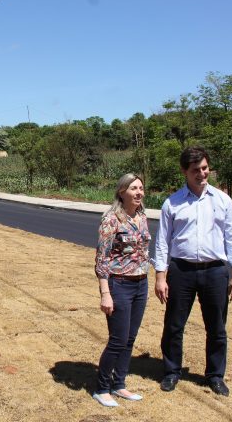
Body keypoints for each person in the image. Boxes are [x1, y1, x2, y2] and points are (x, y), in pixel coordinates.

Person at [153, 146, 232, 397]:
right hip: (181, 271)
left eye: (205, 168)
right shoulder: (172, 203)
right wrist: (160, 276)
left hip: (215, 271)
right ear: (184, 171)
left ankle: (215, 376)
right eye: (196, 170)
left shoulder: (223, 201)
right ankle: (172, 371)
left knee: (217, 328)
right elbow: (162, 242)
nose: (202, 174)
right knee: (174, 325)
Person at [92, 173, 151, 408]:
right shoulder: (111, 219)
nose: (139, 192)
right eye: (133, 188)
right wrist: (105, 293)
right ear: (121, 191)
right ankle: (102, 388)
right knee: (118, 340)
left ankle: (119, 384)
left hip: (141, 284)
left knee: (130, 339)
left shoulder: (142, 216)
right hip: (119, 285)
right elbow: (102, 259)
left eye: (141, 188)